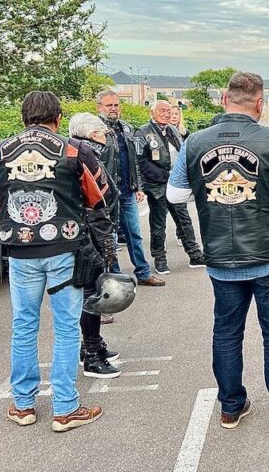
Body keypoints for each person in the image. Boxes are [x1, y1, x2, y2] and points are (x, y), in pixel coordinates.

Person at [167, 71, 269, 436]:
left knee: (226, 333)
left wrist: (207, 190)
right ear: (260, 104)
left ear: (225, 100)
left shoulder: (195, 142)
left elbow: (175, 194)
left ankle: (231, 407)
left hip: (221, 258)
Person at [0, 91, 115, 432]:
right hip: (64, 247)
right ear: (58, 117)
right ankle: (65, 408)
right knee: (66, 327)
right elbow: (100, 195)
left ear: (24, 117)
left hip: (20, 250)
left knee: (24, 325)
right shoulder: (74, 149)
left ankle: (23, 405)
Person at [68, 113, 122, 378]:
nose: (106, 137)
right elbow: (95, 202)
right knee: (91, 295)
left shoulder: (85, 154)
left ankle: (92, 344)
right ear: (92, 135)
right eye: (102, 133)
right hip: (88, 234)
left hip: (90, 231)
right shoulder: (84, 156)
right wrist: (105, 241)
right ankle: (91, 353)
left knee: (91, 292)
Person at [96, 90, 163, 287]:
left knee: (135, 234)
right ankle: (116, 277)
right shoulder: (95, 130)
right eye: (109, 105)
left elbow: (135, 161)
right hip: (107, 194)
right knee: (110, 238)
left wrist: (138, 186)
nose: (113, 109)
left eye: (116, 105)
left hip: (127, 191)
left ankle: (143, 272)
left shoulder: (126, 128)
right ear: (99, 107)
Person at [136, 100, 206, 277]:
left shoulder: (173, 130)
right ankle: (160, 259)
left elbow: (183, 153)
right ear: (152, 112)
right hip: (157, 186)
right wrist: (164, 176)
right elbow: (141, 161)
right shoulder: (143, 132)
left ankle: (195, 255)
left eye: (168, 111)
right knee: (158, 225)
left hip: (175, 184)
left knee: (184, 220)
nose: (166, 114)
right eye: (162, 111)